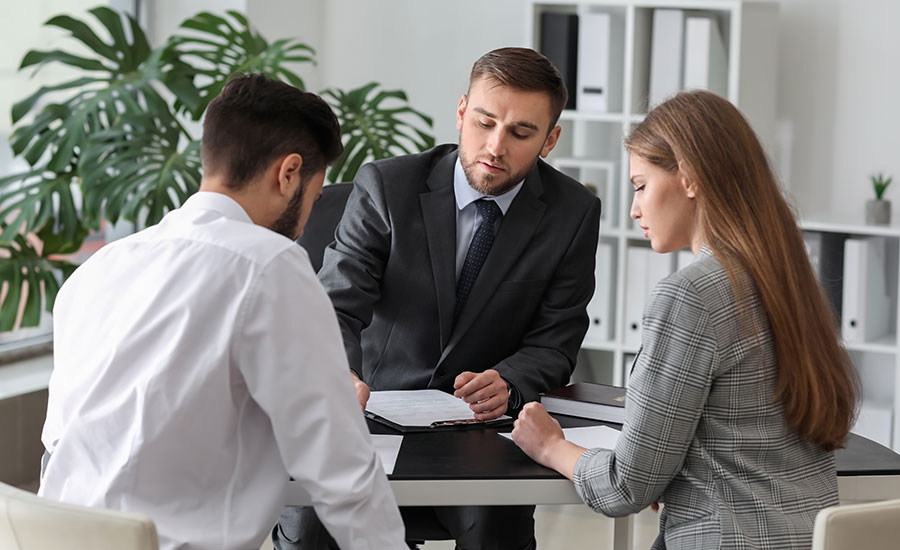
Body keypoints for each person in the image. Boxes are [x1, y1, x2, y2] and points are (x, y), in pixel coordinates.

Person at [39, 74, 407, 550]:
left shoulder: (101, 266)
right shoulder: (271, 264)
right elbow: (342, 470)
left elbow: (60, 440)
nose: (303, 227)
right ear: (288, 173)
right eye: (315, 199)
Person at [274, 48, 602, 549]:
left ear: (550, 139)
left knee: (496, 533)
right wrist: (339, 374)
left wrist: (512, 380)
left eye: (520, 133)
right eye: (484, 122)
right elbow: (336, 305)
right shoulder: (388, 186)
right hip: (368, 417)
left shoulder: (572, 213)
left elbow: (555, 341)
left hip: (479, 433)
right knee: (310, 528)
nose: (494, 146)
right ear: (461, 111)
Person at [511, 89, 859, 549]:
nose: (634, 209)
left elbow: (624, 487)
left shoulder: (691, 295)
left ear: (689, 179)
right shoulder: (787, 280)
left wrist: (551, 446)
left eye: (640, 186)